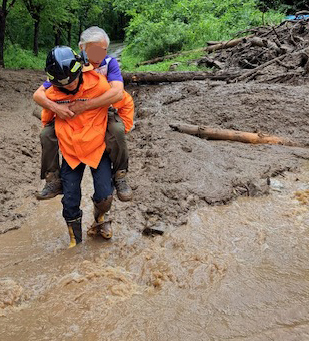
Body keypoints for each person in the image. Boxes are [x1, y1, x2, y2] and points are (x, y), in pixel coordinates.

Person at [41, 46, 134, 247]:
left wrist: (123, 126)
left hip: (97, 148)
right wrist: (58, 110)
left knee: (104, 195)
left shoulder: (99, 85)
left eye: (73, 80)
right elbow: (47, 120)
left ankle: (101, 220)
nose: (69, 86)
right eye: (63, 85)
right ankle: (75, 243)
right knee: (70, 198)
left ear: (79, 69)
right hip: (71, 152)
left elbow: (124, 100)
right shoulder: (53, 93)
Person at [33, 26, 133, 202]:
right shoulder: (70, 65)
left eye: (102, 50)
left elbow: (118, 93)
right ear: (81, 48)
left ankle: (120, 174)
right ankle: (53, 178)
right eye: (93, 50)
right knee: (47, 134)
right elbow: (39, 94)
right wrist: (56, 109)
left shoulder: (109, 63)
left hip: (100, 110)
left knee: (117, 131)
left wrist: (86, 106)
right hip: (69, 111)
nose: (98, 56)